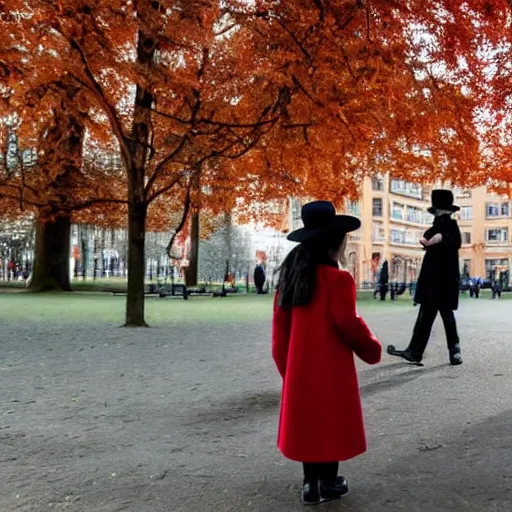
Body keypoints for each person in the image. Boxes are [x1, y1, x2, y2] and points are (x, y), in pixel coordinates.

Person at [272, 200, 382, 506]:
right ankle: (330, 482)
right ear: (335, 241)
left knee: (308, 423)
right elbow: (347, 323)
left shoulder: (289, 281)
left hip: (300, 368)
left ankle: (310, 485)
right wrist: (371, 348)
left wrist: (289, 370)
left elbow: (279, 335)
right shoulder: (338, 279)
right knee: (331, 423)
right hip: (332, 368)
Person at [387, 190, 463, 366]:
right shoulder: (435, 228)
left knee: (445, 315)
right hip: (432, 280)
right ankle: (416, 351)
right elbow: (427, 237)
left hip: (443, 280)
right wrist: (426, 240)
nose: (441, 215)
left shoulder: (451, 227)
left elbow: (455, 241)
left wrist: (441, 238)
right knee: (426, 317)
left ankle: (454, 350)